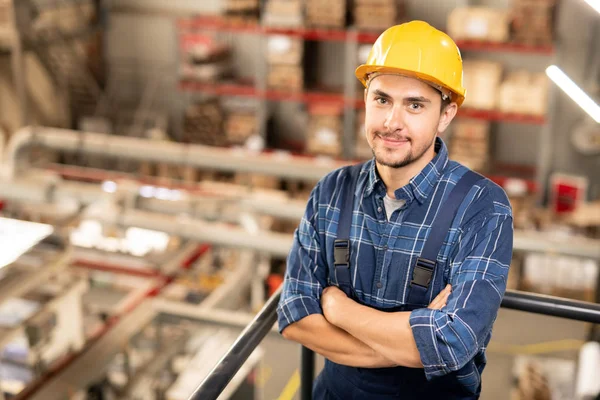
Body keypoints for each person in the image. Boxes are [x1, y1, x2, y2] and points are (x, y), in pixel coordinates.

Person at [276, 20, 514, 400]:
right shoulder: (332, 191)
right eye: (382, 99)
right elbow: (294, 315)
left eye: (415, 105)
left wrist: (339, 310)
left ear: (446, 115)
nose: (392, 122)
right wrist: (411, 341)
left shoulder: (482, 208)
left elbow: (453, 342)